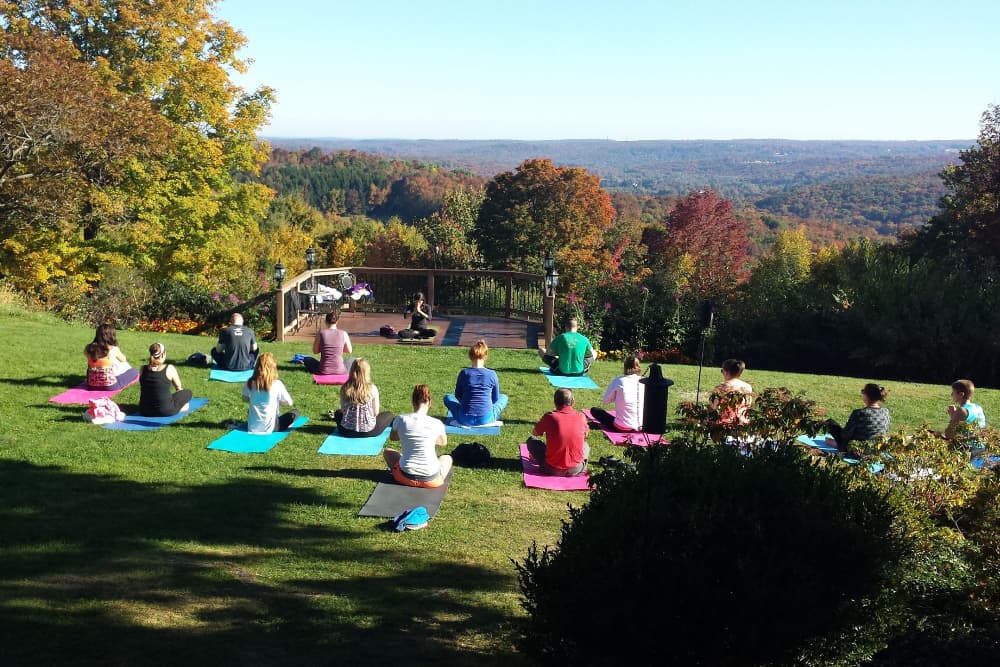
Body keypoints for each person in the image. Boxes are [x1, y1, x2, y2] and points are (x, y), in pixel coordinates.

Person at [384, 384, 451, 487]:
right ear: (430, 403)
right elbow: (443, 443)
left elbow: (393, 438)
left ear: (412, 402)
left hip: (404, 477)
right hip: (432, 481)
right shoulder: (437, 423)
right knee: (447, 458)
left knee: (388, 452)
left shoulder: (401, 419)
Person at [442, 339, 509, 426]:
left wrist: (467, 404)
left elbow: (458, 395)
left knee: (448, 397)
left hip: (464, 418)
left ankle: (461, 421)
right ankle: (489, 420)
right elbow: (495, 399)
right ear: (485, 356)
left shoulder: (464, 373)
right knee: (504, 397)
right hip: (486, 418)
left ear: (470, 356)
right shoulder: (492, 374)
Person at [527, 388, 590, 476]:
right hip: (576, 470)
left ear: (555, 402)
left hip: (552, 469)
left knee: (531, 440)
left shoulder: (549, 417)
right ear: (573, 402)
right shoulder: (581, 417)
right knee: (585, 445)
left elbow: (535, 433)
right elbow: (585, 434)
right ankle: (581, 466)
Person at [333, 358, 394, 437]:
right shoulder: (372, 388)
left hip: (345, 430)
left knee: (338, 413)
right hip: (369, 431)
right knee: (389, 415)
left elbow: (343, 410)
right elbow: (376, 412)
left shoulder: (345, 387)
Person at [824, 383, 891, 454]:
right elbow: (885, 430)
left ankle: (837, 445)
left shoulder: (859, 413)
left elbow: (845, 435)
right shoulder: (886, 412)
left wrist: (837, 441)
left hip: (856, 450)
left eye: (863, 391)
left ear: (867, 396)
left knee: (830, 423)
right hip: (876, 450)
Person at [242, 352, 299, 434]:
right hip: (272, 427)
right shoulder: (277, 384)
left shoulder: (250, 382)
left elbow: (245, 398)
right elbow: (289, 402)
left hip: (252, 426)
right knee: (295, 413)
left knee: (250, 410)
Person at [590, 355, 644, 431]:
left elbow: (606, 401)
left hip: (622, 427)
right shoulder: (644, 381)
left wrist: (617, 397)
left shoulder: (619, 381)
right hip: (642, 426)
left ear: (625, 367)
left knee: (595, 410)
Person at [138, 342, 193, 417]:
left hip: (145, 410)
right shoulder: (169, 368)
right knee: (188, 393)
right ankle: (181, 408)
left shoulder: (142, 369)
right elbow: (178, 387)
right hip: (165, 411)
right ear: (163, 354)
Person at [84, 323, 138, 389]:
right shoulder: (113, 349)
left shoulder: (88, 348)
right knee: (135, 371)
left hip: (91, 384)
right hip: (109, 385)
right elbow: (123, 360)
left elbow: (91, 359)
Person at [302, 309, 352, 375]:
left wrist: (324, 348)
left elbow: (315, 351)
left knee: (307, 359)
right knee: (352, 360)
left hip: (323, 370)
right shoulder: (344, 333)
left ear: (326, 321)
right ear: (337, 321)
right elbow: (349, 350)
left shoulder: (321, 333)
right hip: (340, 370)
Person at [710, 359, 754, 426]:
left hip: (725, 425)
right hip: (743, 424)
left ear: (726, 372)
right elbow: (748, 405)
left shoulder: (721, 387)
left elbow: (714, 408)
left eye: (722, 371)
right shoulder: (748, 387)